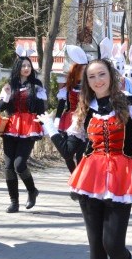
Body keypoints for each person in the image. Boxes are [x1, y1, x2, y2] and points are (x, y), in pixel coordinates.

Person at [39, 59, 132, 259]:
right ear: (86, 81)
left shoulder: (127, 101)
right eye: (92, 76)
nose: (97, 80)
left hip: (121, 177)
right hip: (90, 178)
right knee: (96, 249)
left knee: (113, 245)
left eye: (102, 74)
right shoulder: (85, 108)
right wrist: (50, 127)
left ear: (111, 76)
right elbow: (68, 151)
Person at [0, 46, 47, 213]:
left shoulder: (36, 85)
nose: (26, 68)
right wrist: (5, 95)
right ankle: (14, 202)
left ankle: (32, 190)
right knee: (8, 166)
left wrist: (45, 126)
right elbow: (0, 107)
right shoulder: (9, 85)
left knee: (19, 164)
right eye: (23, 65)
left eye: (29, 65)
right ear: (17, 67)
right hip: (11, 127)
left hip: (29, 127)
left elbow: (41, 109)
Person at [55, 45, 88, 173]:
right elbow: (61, 104)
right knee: (67, 154)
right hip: (70, 121)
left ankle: (81, 177)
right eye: (82, 70)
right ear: (76, 70)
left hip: (86, 120)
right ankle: (74, 174)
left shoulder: (92, 88)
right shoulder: (68, 89)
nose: (84, 73)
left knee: (81, 154)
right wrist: (57, 119)